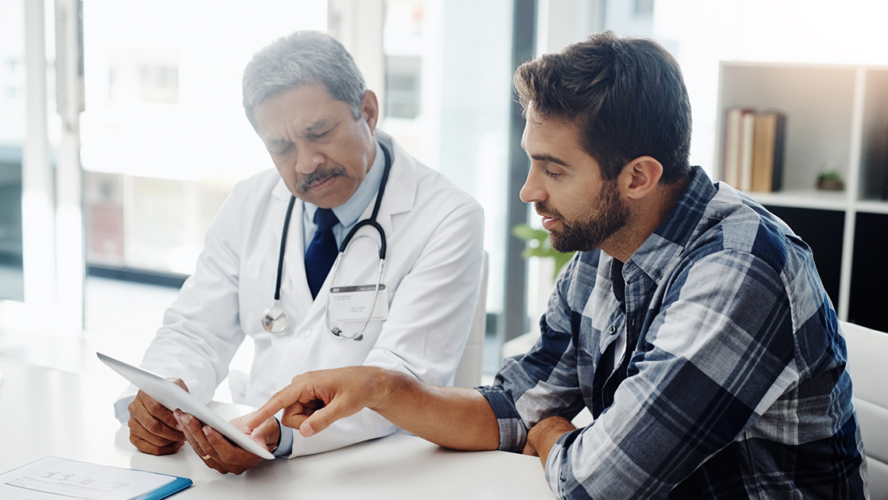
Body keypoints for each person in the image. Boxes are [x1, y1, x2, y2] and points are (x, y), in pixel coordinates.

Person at [245, 31, 869, 498]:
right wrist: (379, 388)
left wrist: (550, 438)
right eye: (531, 161)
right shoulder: (608, 246)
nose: (528, 191)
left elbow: (599, 483)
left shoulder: (740, 271)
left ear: (638, 177)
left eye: (554, 169)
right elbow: (516, 406)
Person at [113, 31, 485, 475]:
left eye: (319, 133)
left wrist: (284, 436)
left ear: (367, 112)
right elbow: (195, 332)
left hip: (378, 469)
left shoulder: (448, 216)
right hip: (251, 456)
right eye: (281, 147)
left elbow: (400, 383)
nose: (306, 163)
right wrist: (165, 402)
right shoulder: (250, 202)